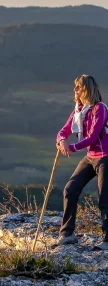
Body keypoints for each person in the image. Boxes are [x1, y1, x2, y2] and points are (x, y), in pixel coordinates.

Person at [56, 74, 108, 250]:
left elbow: (93, 137)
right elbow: (64, 130)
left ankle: (107, 239)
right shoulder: (79, 110)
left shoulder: (100, 108)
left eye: (78, 87)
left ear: (86, 88)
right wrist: (61, 141)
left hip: (105, 157)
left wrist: (71, 148)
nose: (75, 90)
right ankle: (67, 234)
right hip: (91, 156)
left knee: (104, 198)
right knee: (70, 189)